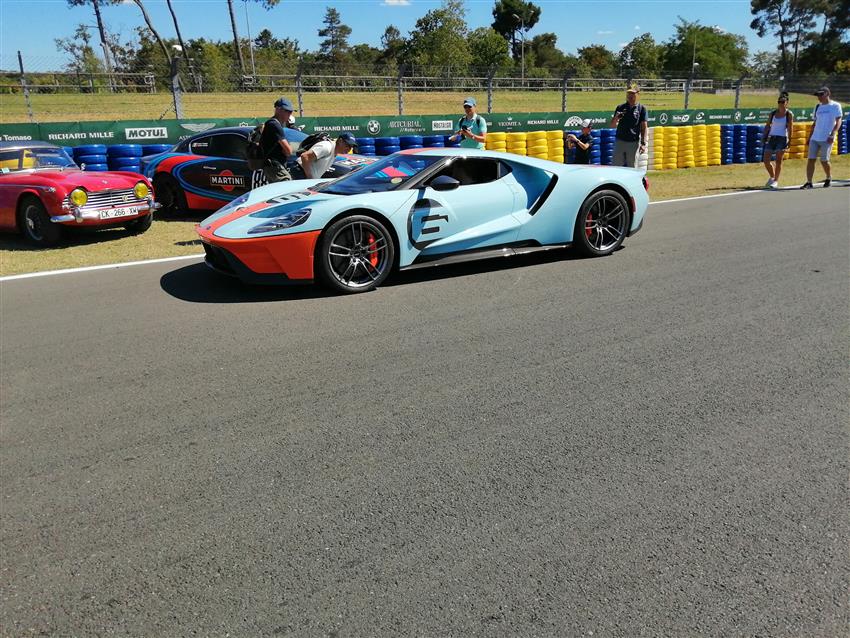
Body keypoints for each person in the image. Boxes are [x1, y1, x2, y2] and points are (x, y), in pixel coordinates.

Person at [801, 86, 843, 189]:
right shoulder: (817, 107)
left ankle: (828, 177)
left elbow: (838, 121)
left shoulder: (835, 105)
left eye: (821, 94)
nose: (819, 97)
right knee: (811, 159)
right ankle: (809, 182)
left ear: (827, 94)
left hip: (827, 138)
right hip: (815, 137)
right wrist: (809, 137)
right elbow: (815, 123)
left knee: (824, 160)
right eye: (818, 95)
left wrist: (833, 134)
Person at [259, 97, 295, 183]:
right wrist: (287, 149)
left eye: (291, 112)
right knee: (288, 186)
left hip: (272, 166)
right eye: (287, 111)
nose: (290, 114)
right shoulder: (274, 125)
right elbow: (289, 151)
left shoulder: (273, 124)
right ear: (278, 110)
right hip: (275, 165)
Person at [610, 86, 648, 168]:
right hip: (620, 141)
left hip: (633, 143)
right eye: (629, 93)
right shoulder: (620, 107)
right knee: (615, 167)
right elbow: (612, 126)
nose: (630, 96)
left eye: (632, 93)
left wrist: (643, 143)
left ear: (638, 95)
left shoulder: (642, 109)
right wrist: (616, 118)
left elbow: (644, 128)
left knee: (632, 167)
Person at [762, 92, 793, 189]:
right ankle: (772, 176)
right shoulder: (773, 113)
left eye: (783, 102)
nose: (781, 104)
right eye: (779, 102)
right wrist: (764, 136)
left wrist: (790, 140)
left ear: (787, 103)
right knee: (766, 160)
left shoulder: (789, 114)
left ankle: (776, 180)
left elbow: (790, 128)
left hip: (782, 138)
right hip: (772, 137)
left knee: (778, 160)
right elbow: (768, 125)